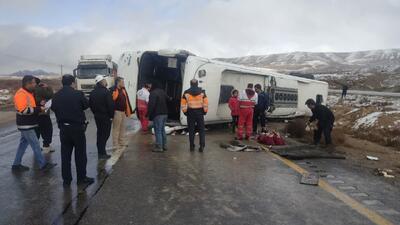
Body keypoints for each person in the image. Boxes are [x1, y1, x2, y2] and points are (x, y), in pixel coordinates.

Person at [51, 74, 94, 186]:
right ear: (72, 83)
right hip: (77, 128)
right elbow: (86, 106)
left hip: (63, 129)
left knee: (65, 155)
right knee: (80, 155)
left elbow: (53, 108)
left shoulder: (56, 96)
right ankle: (81, 178)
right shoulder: (78, 94)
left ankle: (66, 180)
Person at [12, 75, 57, 172]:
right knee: (36, 144)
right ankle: (43, 165)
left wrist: (40, 105)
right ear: (27, 84)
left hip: (29, 123)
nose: (35, 84)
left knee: (23, 145)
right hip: (25, 124)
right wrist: (39, 109)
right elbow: (23, 110)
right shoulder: (21, 94)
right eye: (33, 83)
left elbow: (32, 105)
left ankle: (16, 165)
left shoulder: (28, 93)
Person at [89, 75, 114, 159]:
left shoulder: (92, 92)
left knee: (100, 133)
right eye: (104, 80)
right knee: (105, 134)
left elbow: (91, 105)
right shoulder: (106, 92)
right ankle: (102, 153)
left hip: (97, 116)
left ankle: (100, 151)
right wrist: (111, 116)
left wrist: (95, 113)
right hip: (106, 116)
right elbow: (110, 105)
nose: (106, 82)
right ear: (102, 82)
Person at [181, 79, 208, 152]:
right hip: (200, 112)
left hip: (190, 113)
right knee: (201, 130)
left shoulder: (186, 93)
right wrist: (204, 111)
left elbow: (183, 104)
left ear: (190, 84)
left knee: (191, 130)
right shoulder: (202, 92)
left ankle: (191, 146)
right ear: (197, 84)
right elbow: (205, 103)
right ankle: (202, 146)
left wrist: (185, 112)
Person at [110, 77, 133, 150]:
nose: (123, 83)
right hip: (116, 111)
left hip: (123, 111)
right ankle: (115, 144)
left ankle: (121, 141)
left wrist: (129, 110)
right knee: (116, 128)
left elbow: (127, 100)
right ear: (118, 82)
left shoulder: (123, 89)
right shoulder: (113, 90)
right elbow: (111, 101)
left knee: (123, 127)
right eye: (122, 82)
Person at [147, 81, 170, 152]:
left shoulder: (153, 93)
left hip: (158, 114)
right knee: (162, 130)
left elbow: (151, 105)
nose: (150, 86)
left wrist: (149, 114)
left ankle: (159, 147)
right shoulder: (162, 92)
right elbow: (168, 100)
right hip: (165, 114)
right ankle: (164, 145)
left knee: (158, 131)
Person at [34, 78, 54, 153]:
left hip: (33, 114)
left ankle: (36, 147)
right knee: (47, 129)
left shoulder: (28, 91)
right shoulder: (40, 89)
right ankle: (46, 145)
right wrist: (48, 87)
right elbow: (50, 95)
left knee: (36, 131)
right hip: (42, 113)